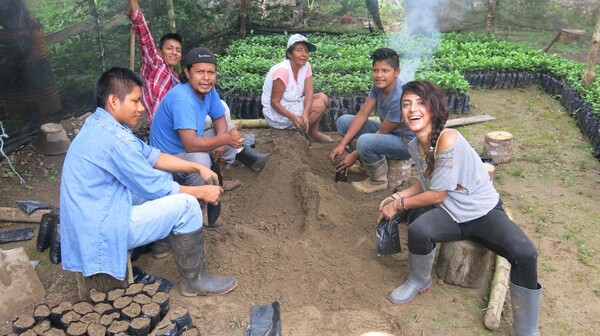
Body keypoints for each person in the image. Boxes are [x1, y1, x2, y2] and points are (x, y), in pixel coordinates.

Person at [378, 80, 542, 335]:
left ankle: (525, 330)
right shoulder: (417, 145)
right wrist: (397, 196)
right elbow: (427, 182)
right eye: (406, 104)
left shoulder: (448, 139)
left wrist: (399, 204)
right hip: (452, 214)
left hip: (483, 212)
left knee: (525, 254)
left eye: (420, 103)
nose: (412, 109)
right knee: (420, 229)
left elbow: (436, 194)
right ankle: (419, 280)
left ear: (434, 108)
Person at [60, 67, 237, 296]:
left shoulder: (101, 124)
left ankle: (162, 242)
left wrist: (197, 166)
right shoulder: (115, 140)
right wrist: (200, 192)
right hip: (100, 230)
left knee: (165, 179)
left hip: (97, 210)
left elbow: (152, 156)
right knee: (187, 206)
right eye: (135, 101)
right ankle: (195, 281)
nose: (142, 108)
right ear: (114, 101)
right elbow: (154, 186)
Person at [150, 47, 269, 228]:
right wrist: (223, 140)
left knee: (228, 130)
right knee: (200, 158)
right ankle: (202, 205)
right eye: (200, 72)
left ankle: (218, 178)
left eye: (211, 72)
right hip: (169, 157)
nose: (206, 77)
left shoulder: (207, 90)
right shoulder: (182, 99)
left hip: (188, 143)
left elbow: (219, 118)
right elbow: (190, 145)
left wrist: (222, 138)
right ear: (187, 72)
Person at [330, 48, 415, 194]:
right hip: (388, 134)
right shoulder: (378, 87)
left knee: (364, 141)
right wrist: (342, 145)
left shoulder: (399, 97)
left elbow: (381, 132)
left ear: (397, 72)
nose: (379, 75)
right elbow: (363, 114)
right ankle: (366, 164)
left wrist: (354, 155)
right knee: (344, 122)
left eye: (385, 71)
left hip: (404, 143)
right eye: (375, 70)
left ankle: (378, 180)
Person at [261, 34, 333, 143]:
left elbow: (309, 93)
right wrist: (294, 118)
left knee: (322, 97)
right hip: (275, 112)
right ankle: (294, 135)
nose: (304, 55)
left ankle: (312, 133)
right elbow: (274, 103)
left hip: (292, 103)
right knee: (318, 105)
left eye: (306, 51)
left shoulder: (306, 66)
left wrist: (305, 113)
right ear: (289, 53)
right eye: (299, 50)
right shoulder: (283, 71)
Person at [127, 0, 182, 123]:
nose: (174, 52)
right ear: (159, 52)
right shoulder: (155, 64)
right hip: (161, 129)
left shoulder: (176, 79)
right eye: (169, 48)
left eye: (178, 50)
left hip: (177, 125)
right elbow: (144, 36)